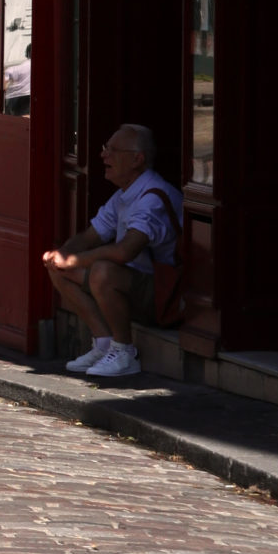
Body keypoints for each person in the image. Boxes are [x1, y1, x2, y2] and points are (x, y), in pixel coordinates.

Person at [41, 121, 182, 383]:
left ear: (137, 159)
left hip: (163, 295)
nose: (104, 155)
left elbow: (124, 252)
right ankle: (104, 344)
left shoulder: (152, 197)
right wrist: (62, 254)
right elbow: (90, 235)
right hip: (134, 285)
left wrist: (73, 260)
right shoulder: (124, 195)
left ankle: (124, 352)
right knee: (57, 267)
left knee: (103, 270)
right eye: (106, 148)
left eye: (113, 150)